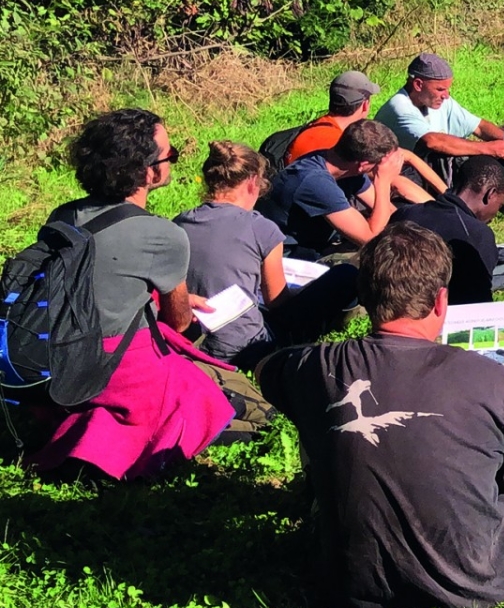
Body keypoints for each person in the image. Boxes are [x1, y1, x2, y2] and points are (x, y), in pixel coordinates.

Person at [258, 223, 504, 608]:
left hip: (346, 585)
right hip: (469, 586)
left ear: (365, 295)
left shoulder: (315, 366)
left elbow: (266, 371)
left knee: (322, 419)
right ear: (441, 301)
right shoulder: (491, 378)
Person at [22, 110, 237, 480]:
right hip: (114, 363)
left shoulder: (62, 215)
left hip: (55, 350)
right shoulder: (163, 235)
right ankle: (111, 452)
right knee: (197, 392)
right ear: (148, 171)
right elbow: (179, 321)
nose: (172, 161)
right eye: (170, 155)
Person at [174, 141, 361, 368]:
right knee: (345, 275)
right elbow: (277, 302)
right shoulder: (260, 227)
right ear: (253, 181)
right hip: (250, 345)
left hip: (193, 338)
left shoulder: (180, 222)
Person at [375, 52, 504, 216]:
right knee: (461, 156)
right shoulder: (399, 107)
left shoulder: (441, 101)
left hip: (436, 172)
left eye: (447, 89)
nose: (446, 96)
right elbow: (433, 141)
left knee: (501, 150)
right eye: (440, 89)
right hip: (410, 177)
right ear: (418, 84)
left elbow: (480, 127)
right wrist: (488, 149)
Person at [284, 70, 444, 200]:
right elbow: (398, 184)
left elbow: (407, 155)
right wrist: (443, 209)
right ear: (365, 104)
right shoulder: (347, 143)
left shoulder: (319, 127)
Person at [258, 119, 404, 258]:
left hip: (319, 246)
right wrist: (384, 182)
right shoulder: (314, 182)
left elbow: (390, 213)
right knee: (386, 264)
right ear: (363, 165)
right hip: (290, 257)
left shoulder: (342, 165)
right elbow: (370, 239)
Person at [391, 156, 504, 306]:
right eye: (500, 205)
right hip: (440, 319)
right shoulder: (477, 234)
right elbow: (479, 303)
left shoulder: (405, 213)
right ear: (490, 194)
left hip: (390, 309)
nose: (495, 214)